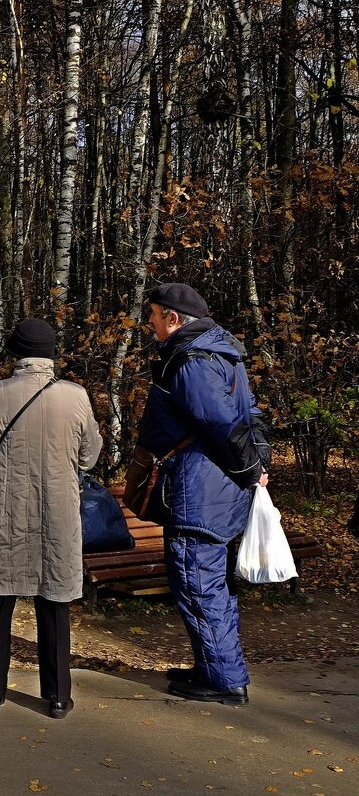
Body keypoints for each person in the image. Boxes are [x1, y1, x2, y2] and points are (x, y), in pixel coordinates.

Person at [0, 319, 101, 719]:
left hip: (6, 512)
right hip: (57, 515)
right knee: (53, 603)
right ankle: (56, 697)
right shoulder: (76, 397)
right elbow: (90, 456)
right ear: (52, 353)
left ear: (14, 352)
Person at [136, 283, 269, 705]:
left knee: (197, 582)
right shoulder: (221, 354)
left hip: (201, 490)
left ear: (174, 318)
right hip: (213, 487)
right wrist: (258, 463)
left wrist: (251, 468)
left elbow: (219, 422)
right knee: (208, 581)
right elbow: (251, 415)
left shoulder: (191, 359)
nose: (151, 322)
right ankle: (213, 667)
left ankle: (224, 682)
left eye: (155, 314)